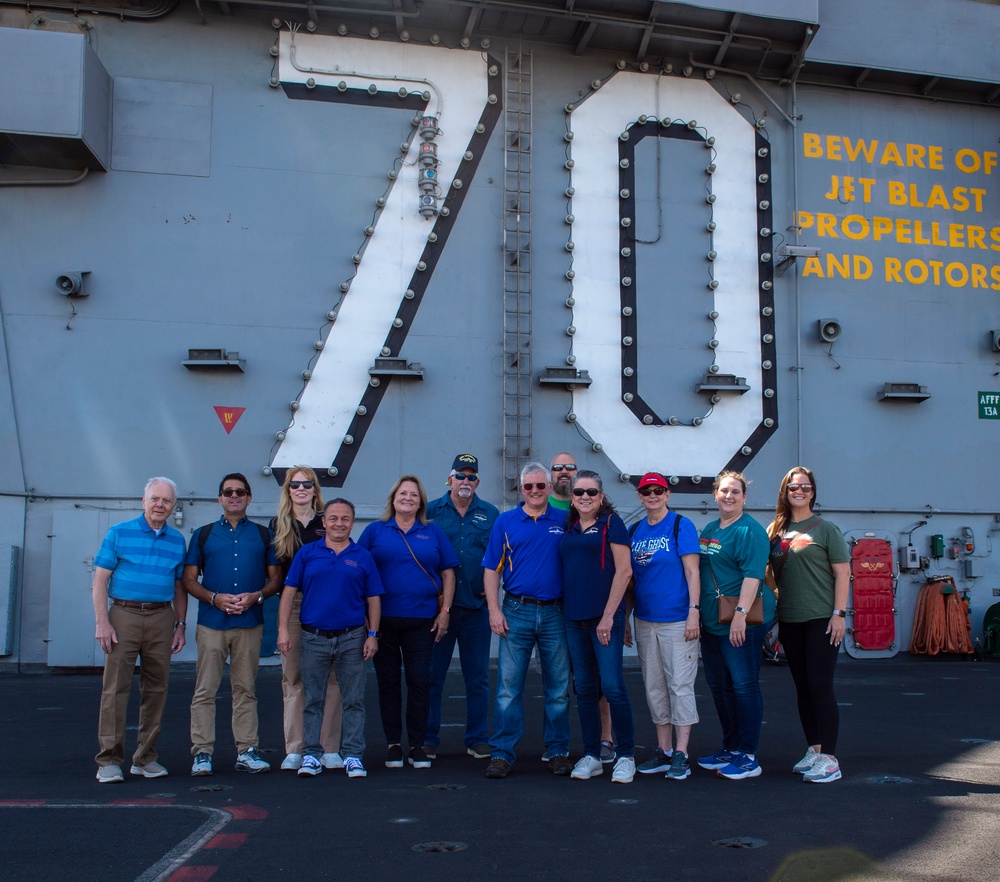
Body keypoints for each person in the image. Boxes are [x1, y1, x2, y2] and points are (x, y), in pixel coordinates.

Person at [183, 473, 281, 776]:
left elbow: (276, 579)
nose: (234, 496)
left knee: (246, 689)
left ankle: (247, 750)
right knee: (205, 690)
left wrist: (257, 596)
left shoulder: (264, 536)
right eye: (228, 492)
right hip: (212, 622)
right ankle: (202, 752)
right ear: (220, 498)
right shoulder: (203, 534)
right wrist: (214, 598)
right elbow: (188, 579)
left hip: (250, 623)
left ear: (249, 497)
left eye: (240, 492)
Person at [358, 476, 458, 770]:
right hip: (382, 621)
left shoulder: (433, 531)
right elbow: (360, 571)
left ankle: (416, 744)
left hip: (422, 621)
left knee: (419, 682)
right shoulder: (375, 531)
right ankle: (392, 744)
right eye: (403, 493)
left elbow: (448, 573)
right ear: (393, 498)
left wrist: (445, 611)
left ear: (421, 502)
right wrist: (365, 619)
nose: (408, 498)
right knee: (388, 683)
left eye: (414, 495)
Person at [278, 498, 383, 779]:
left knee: (354, 700)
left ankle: (353, 755)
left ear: (353, 522)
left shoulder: (362, 556)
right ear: (323, 523)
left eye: (345, 519)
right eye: (333, 518)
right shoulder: (307, 553)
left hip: (352, 638)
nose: (339, 523)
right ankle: (311, 755)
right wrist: (283, 630)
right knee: (313, 699)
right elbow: (288, 592)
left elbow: (373, 598)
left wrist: (372, 634)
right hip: (314, 637)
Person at [92, 477, 188, 783]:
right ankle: (108, 760)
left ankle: (145, 758)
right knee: (115, 688)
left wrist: (180, 625)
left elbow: (179, 587)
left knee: (156, 689)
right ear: (143, 501)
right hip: (124, 615)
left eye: (167, 501)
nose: (160, 505)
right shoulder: (119, 533)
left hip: (162, 617)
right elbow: (100, 581)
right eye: (155, 499)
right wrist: (102, 622)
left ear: (174, 506)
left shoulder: (177, 541)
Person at [483, 462, 572, 779]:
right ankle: (502, 754)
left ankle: (558, 750)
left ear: (550, 487)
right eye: (528, 486)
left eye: (540, 485)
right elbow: (491, 570)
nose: (534, 491)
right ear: (520, 489)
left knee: (558, 688)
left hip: (555, 612)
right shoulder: (505, 522)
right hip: (516, 611)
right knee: (508, 688)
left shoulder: (565, 520)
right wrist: (495, 610)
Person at [766, 466, 850, 784]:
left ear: (813, 491)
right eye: (793, 486)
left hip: (821, 619)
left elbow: (843, 573)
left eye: (805, 486)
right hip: (790, 619)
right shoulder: (776, 529)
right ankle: (814, 749)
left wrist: (839, 613)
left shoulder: (826, 530)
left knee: (820, 685)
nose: (798, 490)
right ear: (784, 491)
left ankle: (830, 758)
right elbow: (768, 572)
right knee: (803, 688)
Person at [559, 470, 636, 784]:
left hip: (604, 619)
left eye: (591, 492)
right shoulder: (570, 526)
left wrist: (608, 616)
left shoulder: (611, 524)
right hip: (574, 619)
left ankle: (626, 755)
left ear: (601, 496)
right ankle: (591, 754)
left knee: (613, 687)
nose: (585, 497)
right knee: (585, 689)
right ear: (573, 498)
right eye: (579, 492)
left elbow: (624, 571)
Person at [697, 471, 774, 780]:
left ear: (744, 497)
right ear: (715, 494)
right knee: (719, 686)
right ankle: (730, 747)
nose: (728, 496)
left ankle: (747, 754)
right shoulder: (712, 528)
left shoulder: (750, 530)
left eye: (735, 492)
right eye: (724, 491)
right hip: (714, 621)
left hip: (741, 619)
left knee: (744, 686)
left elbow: (753, 575)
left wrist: (740, 615)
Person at [424, 453, 500, 760]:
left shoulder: (491, 514)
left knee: (478, 677)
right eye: (460, 475)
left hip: (476, 609)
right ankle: (427, 737)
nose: (465, 481)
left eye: (471, 477)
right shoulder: (430, 512)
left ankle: (477, 737)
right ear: (449, 479)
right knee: (432, 676)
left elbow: (500, 558)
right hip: (438, 611)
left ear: (477, 481)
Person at [270, 466, 344, 772]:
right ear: (288, 490)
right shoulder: (278, 524)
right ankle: (296, 748)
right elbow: (274, 575)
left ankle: (329, 748)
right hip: (294, 604)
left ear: (315, 489)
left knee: (331, 679)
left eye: (307, 483)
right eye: (295, 484)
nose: (301, 488)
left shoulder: (325, 521)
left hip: (328, 604)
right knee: (294, 678)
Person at [629, 472, 702, 781]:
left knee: (680, 686)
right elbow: (631, 581)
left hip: (676, 620)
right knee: (654, 687)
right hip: (645, 621)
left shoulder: (680, 525)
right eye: (647, 491)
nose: (653, 496)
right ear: (640, 496)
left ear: (668, 494)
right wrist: (624, 619)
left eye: (658, 490)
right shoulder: (635, 530)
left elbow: (692, 572)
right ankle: (664, 750)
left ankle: (682, 753)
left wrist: (693, 613)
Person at [549, 452, 614, 763]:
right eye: (558, 468)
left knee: (601, 682)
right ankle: (560, 746)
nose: (564, 472)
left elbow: (622, 570)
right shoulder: (545, 509)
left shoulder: (605, 519)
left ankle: (606, 739)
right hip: (561, 611)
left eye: (569, 467)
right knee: (565, 681)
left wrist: (616, 614)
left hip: (595, 613)